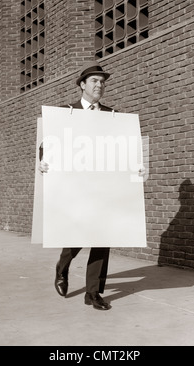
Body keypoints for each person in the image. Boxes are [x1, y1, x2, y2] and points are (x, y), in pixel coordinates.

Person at [39, 61, 145, 311]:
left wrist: (138, 167)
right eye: (95, 81)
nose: (100, 85)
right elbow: (48, 145)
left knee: (101, 238)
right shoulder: (67, 113)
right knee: (75, 238)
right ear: (82, 85)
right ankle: (62, 268)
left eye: (102, 81)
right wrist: (43, 162)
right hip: (76, 188)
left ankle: (92, 293)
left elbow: (128, 148)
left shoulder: (113, 116)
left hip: (104, 188)